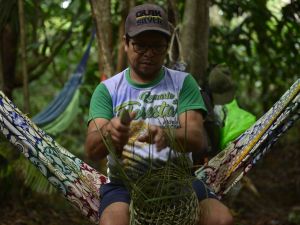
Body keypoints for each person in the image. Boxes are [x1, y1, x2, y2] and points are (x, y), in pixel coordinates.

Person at [85, 3, 233, 225]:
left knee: (222, 219)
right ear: (125, 43)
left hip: (179, 181)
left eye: (157, 46)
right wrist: (110, 132)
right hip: (124, 185)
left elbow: (196, 138)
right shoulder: (108, 90)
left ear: (167, 46)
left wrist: (168, 135)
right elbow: (91, 149)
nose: (149, 54)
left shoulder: (183, 83)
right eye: (140, 46)